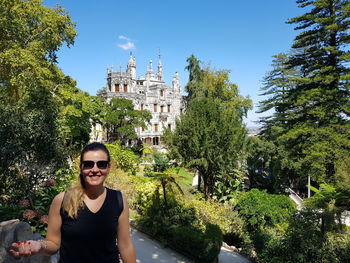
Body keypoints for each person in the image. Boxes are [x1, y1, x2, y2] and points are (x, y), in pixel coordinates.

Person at [9, 142, 136, 263]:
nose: (95, 169)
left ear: (108, 167)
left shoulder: (118, 199)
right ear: (81, 168)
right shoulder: (62, 200)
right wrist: (40, 245)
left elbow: (125, 245)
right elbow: (53, 243)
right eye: (88, 164)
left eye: (101, 164)